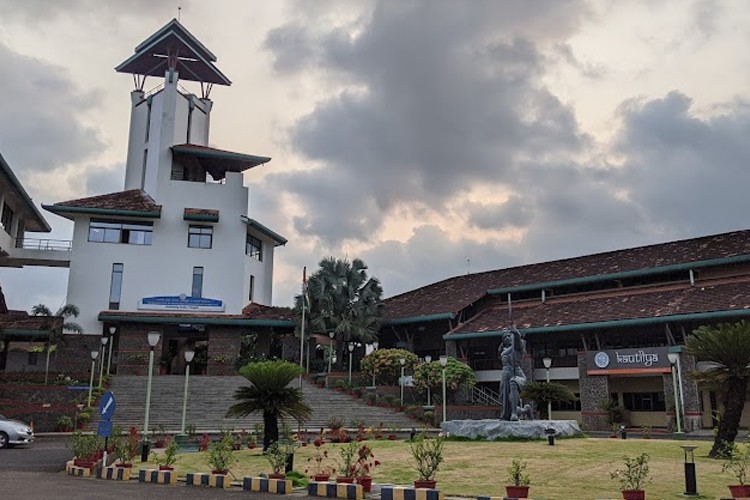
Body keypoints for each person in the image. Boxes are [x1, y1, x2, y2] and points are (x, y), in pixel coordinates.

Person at [498, 326, 527, 421]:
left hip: (517, 373)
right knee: (504, 395)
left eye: (509, 335)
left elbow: (518, 342)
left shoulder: (519, 346)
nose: (508, 338)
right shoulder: (502, 349)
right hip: (506, 373)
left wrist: (516, 333)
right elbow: (502, 354)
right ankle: (523, 410)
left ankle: (514, 413)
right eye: (505, 337)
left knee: (513, 382)